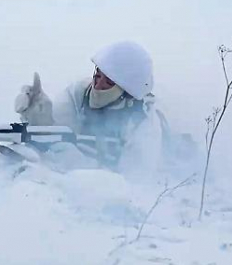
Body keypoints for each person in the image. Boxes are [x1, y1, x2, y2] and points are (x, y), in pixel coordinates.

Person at [14, 41, 161, 173]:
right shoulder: (79, 93)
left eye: (109, 82)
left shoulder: (142, 124)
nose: (98, 84)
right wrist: (40, 116)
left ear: (126, 90)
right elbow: (56, 132)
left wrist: (83, 167)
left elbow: (135, 184)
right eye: (98, 74)